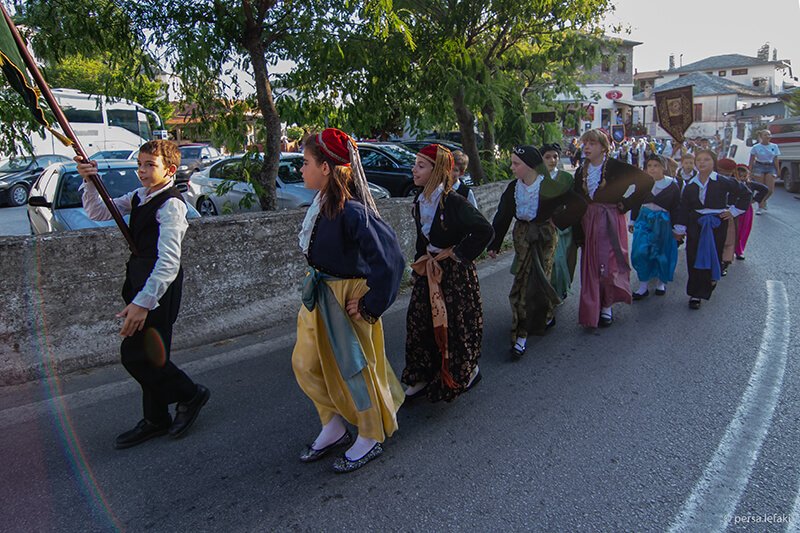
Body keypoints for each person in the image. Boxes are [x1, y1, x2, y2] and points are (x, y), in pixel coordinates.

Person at [75, 141, 210, 449]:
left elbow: (168, 262)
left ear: (170, 170)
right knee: (149, 354)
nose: (142, 171)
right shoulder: (138, 196)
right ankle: (155, 418)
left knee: (136, 355)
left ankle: (190, 394)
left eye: (150, 165)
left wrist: (142, 303)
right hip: (139, 281)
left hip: (158, 288)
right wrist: (89, 180)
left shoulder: (171, 205)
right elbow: (98, 211)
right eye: (140, 164)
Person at [292, 128, 406, 473]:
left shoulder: (352, 211)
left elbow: (392, 260)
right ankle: (334, 424)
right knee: (305, 364)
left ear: (326, 168)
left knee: (355, 370)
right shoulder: (322, 203)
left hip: (346, 299)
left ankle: (370, 434)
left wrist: (371, 304)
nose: (301, 169)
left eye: (306, 162)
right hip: (321, 293)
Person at [403, 144, 493, 402]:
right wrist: (419, 263)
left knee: (456, 324)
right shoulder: (420, 201)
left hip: (453, 275)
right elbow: (423, 238)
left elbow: (485, 230)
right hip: (429, 270)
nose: (414, 170)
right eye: (415, 164)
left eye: (421, 166)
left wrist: (459, 253)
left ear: (437, 170)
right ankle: (420, 374)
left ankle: (465, 372)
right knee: (419, 321)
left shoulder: (454, 201)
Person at [487, 145, 584, 358]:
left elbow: (578, 204)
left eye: (516, 163)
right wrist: (494, 244)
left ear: (530, 166)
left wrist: (558, 221)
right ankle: (520, 335)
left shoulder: (549, 186)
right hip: (522, 236)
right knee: (522, 285)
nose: (511, 167)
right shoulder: (513, 188)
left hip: (545, 237)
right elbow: (502, 216)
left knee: (540, 281)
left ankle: (546, 313)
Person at [573, 129, 653, 328]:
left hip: (609, 220)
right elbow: (576, 203)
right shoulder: (580, 171)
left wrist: (627, 203)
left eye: (592, 143)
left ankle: (607, 305)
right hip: (588, 221)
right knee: (590, 267)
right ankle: (593, 306)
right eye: (585, 143)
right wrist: (577, 232)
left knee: (608, 266)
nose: (587, 147)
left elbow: (646, 181)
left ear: (603, 147)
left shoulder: (617, 167)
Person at [674, 149, 752, 309]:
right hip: (696, 223)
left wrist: (733, 211)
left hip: (717, 223)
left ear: (713, 163)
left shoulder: (723, 181)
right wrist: (680, 230)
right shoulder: (690, 186)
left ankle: (709, 281)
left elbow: (746, 193)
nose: (702, 163)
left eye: (706, 160)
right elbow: (683, 207)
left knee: (713, 254)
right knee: (693, 255)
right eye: (699, 160)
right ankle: (695, 293)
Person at [628, 154, 681, 299]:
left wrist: (678, 228)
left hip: (663, 222)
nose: (652, 169)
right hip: (644, 220)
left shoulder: (672, 185)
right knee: (640, 251)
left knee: (662, 252)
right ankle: (643, 285)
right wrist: (632, 221)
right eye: (650, 166)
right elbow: (635, 203)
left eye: (656, 165)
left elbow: (676, 207)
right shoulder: (642, 184)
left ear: (663, 167)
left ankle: (660, 282)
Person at [540, 142, 579, 300]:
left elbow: (573, 203)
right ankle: (546, 291)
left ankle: (559, 289)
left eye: (555, 156)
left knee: (560, 260)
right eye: (547, 157)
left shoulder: (566, 178)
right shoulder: (537, 178)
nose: (552, 160)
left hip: (562, 227)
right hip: (543, 226)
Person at [733, 164, 769, 260]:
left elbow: (765, 189)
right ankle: (729, 249)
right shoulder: (732, 183)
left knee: (743, 230)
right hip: (733, 209)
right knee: (732, 230)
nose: (742, 178)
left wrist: (755, 199)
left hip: (745, 210)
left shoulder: (750, 184)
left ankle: (739, 250)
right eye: (740, 176)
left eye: (745, 176)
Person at [748, 130, 781, 214]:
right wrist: (750, 171)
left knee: (770, 190)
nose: (768, 136)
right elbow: (751, 159)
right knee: (762, 188)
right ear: (761, 136)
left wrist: (778, 170)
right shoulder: (756, 147)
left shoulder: (774, 146)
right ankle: (760, 206)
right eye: (766, 135)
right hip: (759, 166)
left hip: (770, 166)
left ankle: (762, 200)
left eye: (769, 135)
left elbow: (776, 159)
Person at [716, 158, 739, 275]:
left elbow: (746, 195)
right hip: (714, 214)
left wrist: (734, 211)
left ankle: (724, 263)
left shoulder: (735, 183)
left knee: (729, 240)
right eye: (721, 173)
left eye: (727, 174)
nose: (724, 176)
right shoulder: (712, 180)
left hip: (728, 214)